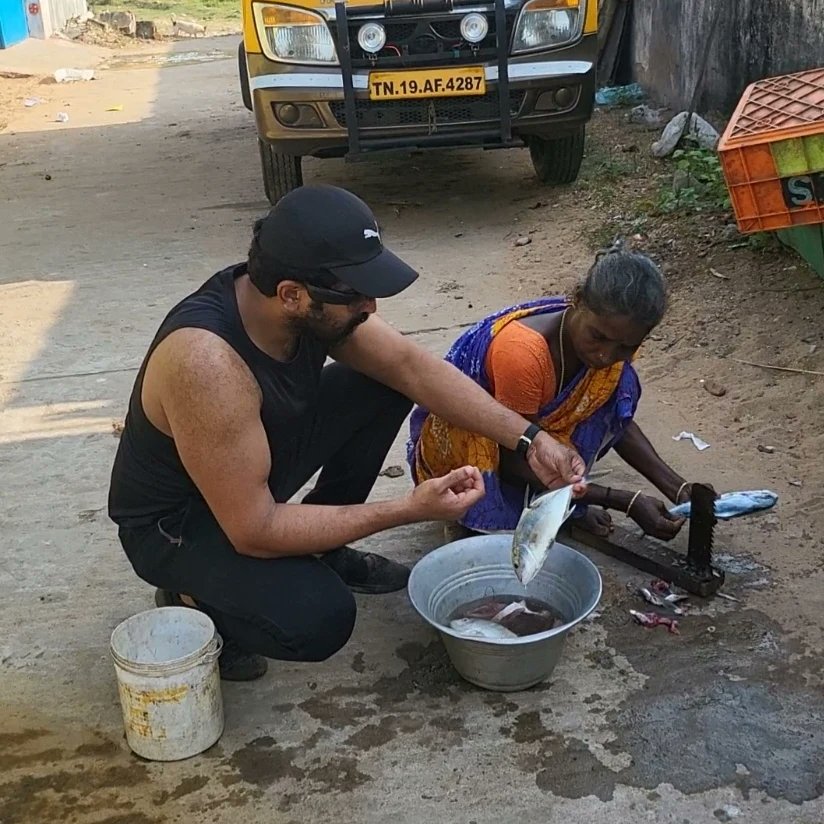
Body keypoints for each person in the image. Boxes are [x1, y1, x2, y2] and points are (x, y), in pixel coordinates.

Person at [108, 184, 586, 682]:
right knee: (319, 618)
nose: (371, 306)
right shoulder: (206, 364)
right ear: (292, 294)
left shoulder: (294, 303)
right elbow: (255, 529)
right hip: (179, 525)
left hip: (246, 466)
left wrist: (532, 440)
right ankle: (194, 599)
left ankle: (321, 546)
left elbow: (412, 368)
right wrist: (407, 509)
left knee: (383, 382)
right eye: (355, 294)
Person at [408, 245, 700, 540]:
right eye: (598, 337)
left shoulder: (610, 341)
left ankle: (567, 500)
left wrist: (678, 487)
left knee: (618, 385)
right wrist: (621, 500)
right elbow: (514, 456)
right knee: (501, 525)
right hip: (480, 444)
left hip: (529, 443)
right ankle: (533, 506)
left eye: (627, 346)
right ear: (577, 301)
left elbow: (612, 418)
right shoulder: (524, 354)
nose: (605, 355)